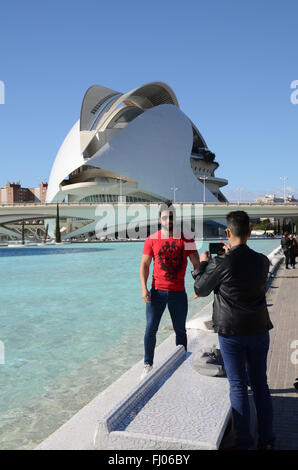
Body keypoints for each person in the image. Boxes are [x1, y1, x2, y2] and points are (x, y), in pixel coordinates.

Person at [192, 210, 275, 450]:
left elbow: (201, 288)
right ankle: (268, 440)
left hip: (232, 333)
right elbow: (246, 277)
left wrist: (203, 264)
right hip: (259, 329)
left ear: (227, 233)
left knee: (238, 385)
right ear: (249, 233)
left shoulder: (221, 262)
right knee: (261, 384)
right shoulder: (262, 260)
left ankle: (244, 442)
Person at [139, 200, 200, 380]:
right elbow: (144, 265)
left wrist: (199, 286)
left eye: (171, 217)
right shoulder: (152, 239)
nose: (168, 221)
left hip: (178, 293)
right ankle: (148, 365)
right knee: (150, 330)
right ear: (160, 219)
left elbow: (196, 264)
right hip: (156, 292)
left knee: (180, 330)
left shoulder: (187, 238)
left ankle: (182, 362)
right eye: (165, 217)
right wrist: (144, 289)